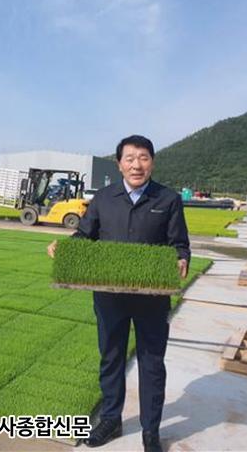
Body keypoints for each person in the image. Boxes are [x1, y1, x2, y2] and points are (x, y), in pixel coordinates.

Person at [47, 135, 190, 452]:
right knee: (111, 357)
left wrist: (182, 259)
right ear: (119, 163)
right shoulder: (103, 198)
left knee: (152, 363)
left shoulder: (168, 199)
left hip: (152, 299)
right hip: (109, 297)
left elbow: (180, 243)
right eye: (130, 158)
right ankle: (110, 420)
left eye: (143, 158)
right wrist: (65, 248)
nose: (137, 165)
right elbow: (85, 235)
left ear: (152, 162)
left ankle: (150, 431)